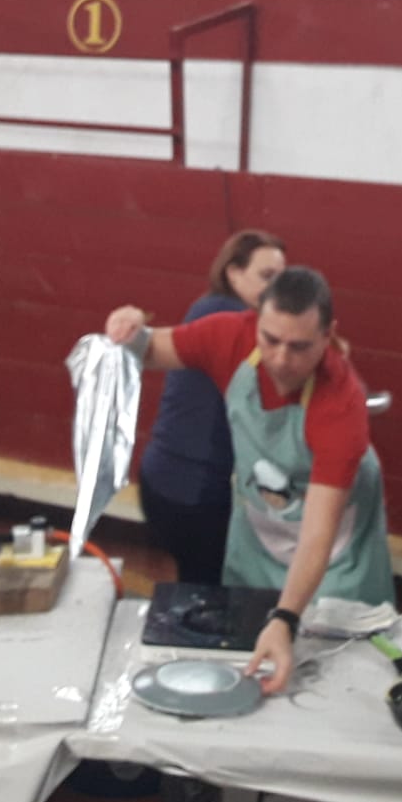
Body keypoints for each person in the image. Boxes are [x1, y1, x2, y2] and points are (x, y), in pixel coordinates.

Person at [106, 266, 391, 696]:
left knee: (334, 669)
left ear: (329, 335)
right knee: (242, 653)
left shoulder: (341, 404)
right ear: (255, 319)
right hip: (259, 526)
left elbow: (317, 535)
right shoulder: (229, 336)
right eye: (270, 339)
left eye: (299, 347)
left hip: (334, 547)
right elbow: (147, 350)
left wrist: (285, 619)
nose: (280, 359)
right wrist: (128, 327)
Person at [138, 229, 286, 586]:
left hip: (167, 481)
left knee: (200, 584)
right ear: (233, 273)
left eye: (282, 280)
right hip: (194, 490)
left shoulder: (208, 307)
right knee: (211, 593)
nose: (276, 290)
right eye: (266, 277)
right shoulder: (233, 319)